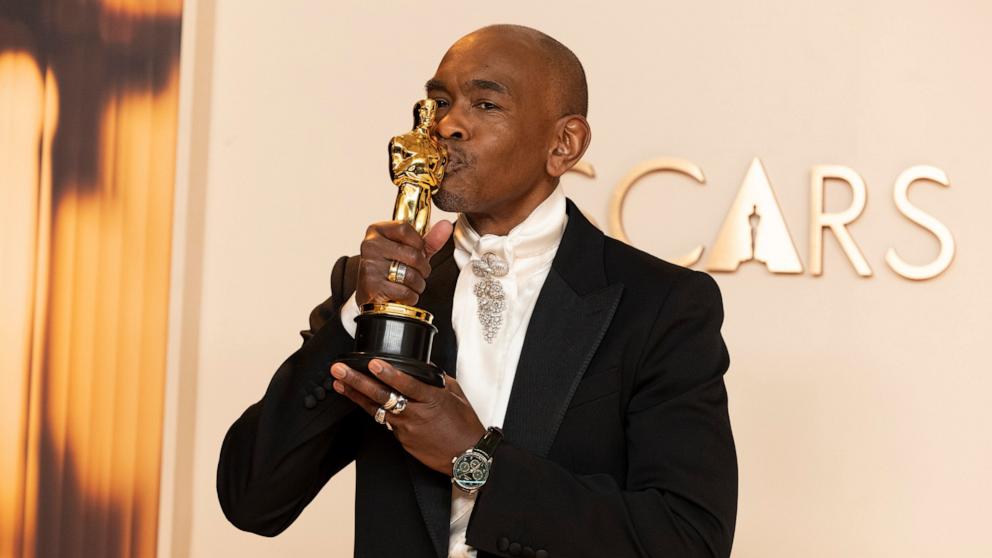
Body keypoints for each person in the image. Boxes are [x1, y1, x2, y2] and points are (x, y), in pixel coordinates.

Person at [217, 24, 737, 558]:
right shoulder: (371, 288)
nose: (448, 124)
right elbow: (252, 500)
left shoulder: (660, 305)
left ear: (564, 144)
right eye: (439, 100)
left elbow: (688, 540)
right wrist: (357, 317)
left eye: (485, 104)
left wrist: (475, 458)